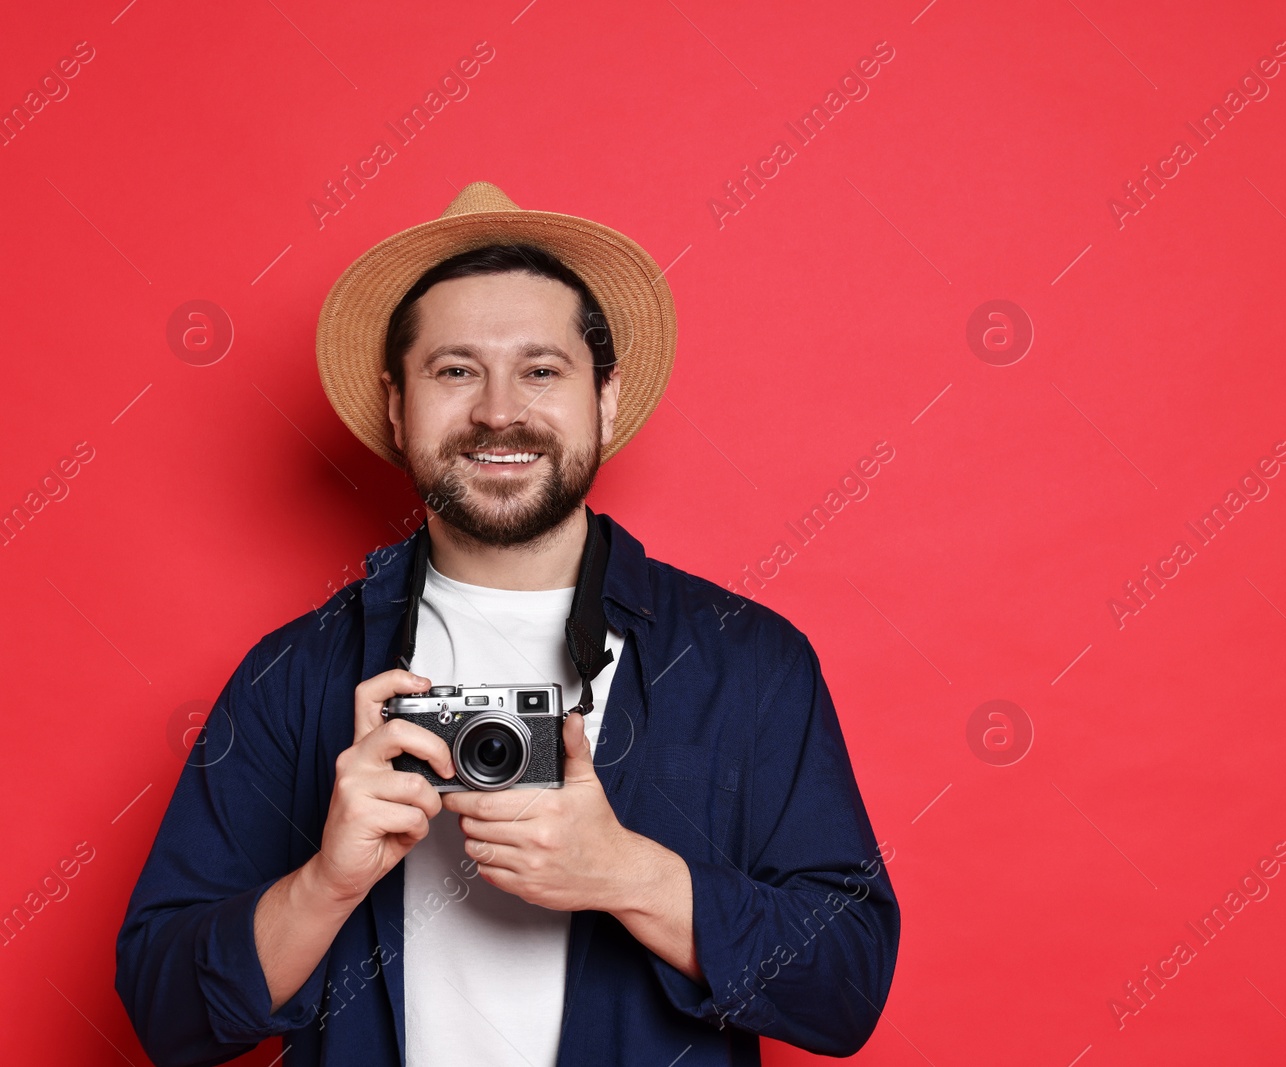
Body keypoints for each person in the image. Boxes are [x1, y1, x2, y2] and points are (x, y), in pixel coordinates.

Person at [115, 182, 900, 1066]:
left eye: (540, 369)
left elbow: (847, 985)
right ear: (395, 403)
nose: (497, 410)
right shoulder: (293, 675)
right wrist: (327, 883)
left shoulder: (748, 662)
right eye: (455, 370)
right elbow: (164, 1012)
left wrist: (629, 874)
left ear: (603, 399)